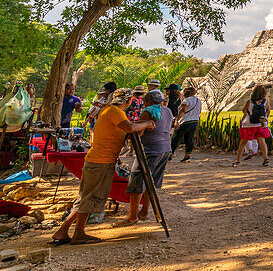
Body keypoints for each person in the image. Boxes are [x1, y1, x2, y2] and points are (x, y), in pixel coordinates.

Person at [51, 89, 154, 245]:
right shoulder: (116, 112)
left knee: (85, 198)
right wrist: (147, 123)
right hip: (100, 162)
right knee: (90, 198)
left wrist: (138, 126)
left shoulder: (110, 110)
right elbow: (129, 128)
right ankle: (78, 234)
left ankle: (63, 231)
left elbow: (127, 130)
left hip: (98, 161)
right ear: (127, 101)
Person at [117, 89, 174, 225]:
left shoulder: (148, 111)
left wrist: (131, 128)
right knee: (151, 182)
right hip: (165, 149)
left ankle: (132, 215)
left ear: (147, 101)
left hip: (151, 150)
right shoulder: (168, 111)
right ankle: (144, 211)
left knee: (137, 181)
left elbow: (140, 132)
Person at [234, 85, 271, 167]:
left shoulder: (249, 102)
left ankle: (237, 161)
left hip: (249, 125)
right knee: (262, 142)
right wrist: (265, 118)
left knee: (243, 143)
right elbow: (268, 110)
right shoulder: (266, 102)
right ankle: (266, 159)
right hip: (260, 125)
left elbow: (244, 111)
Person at [170, 87, 202, 162]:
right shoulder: (198, 100)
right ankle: (187, 156)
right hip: (195, 121)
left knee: (175, 138)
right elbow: (199, 111)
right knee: (189, 139)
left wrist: (177, 120)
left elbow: (183, 110)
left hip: (185, 121)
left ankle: (169, 155)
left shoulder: (187, 100)